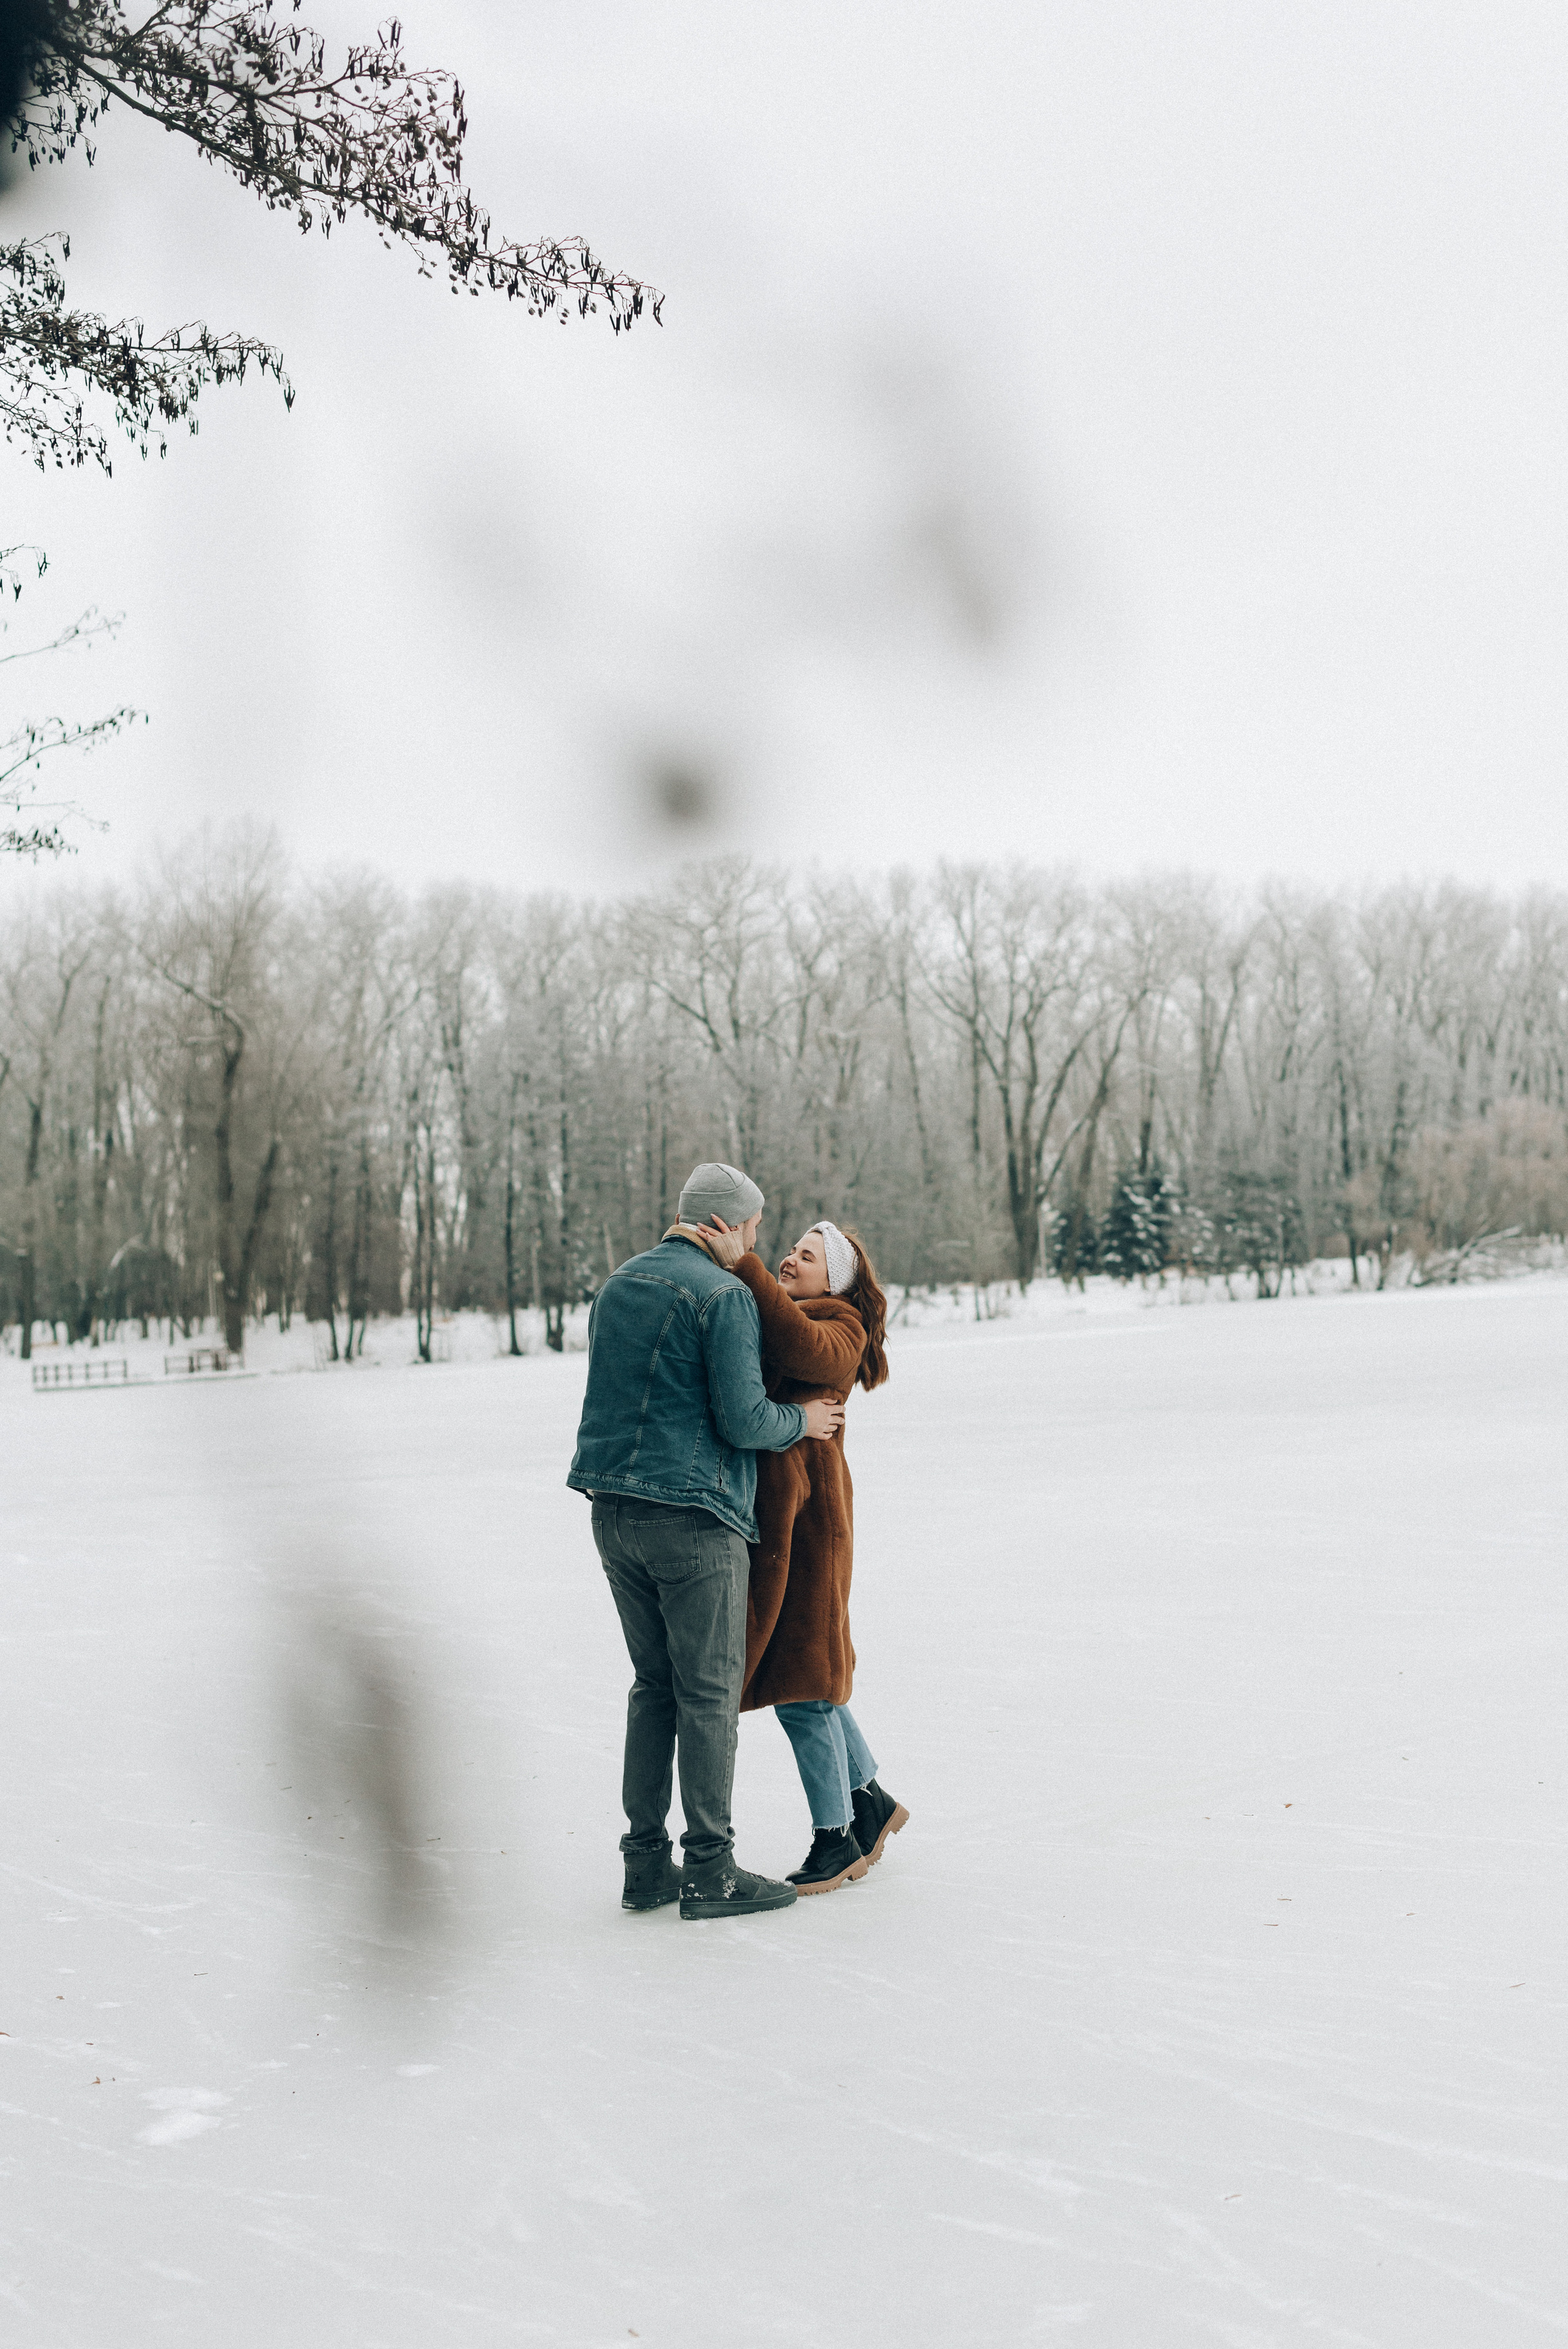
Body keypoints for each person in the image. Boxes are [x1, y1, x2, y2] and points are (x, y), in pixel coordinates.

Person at [567, 1161, 845, 1922]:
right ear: (724, 1223)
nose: (757, 1241)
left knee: (652, 1686)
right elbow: (745, 1420)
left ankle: (645, 1867)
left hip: (612, 1514)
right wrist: (806, 1424)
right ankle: (712, 1869)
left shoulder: (620, 1284)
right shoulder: (721, 1294)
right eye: (754, 1226)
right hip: (693, 1519)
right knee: (709, 1695)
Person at [702, 1216, 908, 1895]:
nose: (790, 1260)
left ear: (837, 1279)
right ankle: (869, 1800)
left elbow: (804, 1347)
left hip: (811, 1522)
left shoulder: (836, 1326)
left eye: (806, 1256)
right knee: (809, 1668)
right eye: (789, 1251)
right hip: (786, 1519)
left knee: (802, 1687)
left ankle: (835, 1838)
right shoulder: (789, 1315)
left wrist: (747, 1267)